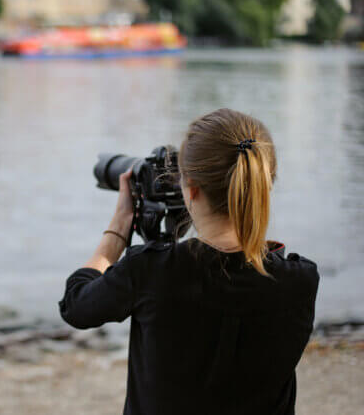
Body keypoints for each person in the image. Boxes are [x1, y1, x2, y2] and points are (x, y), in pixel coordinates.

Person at [59, 108, 319, 415]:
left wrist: (118, 228)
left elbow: (75, 305)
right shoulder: (300, 280)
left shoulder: (151, 271)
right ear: (265, 183)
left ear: (191, 188)